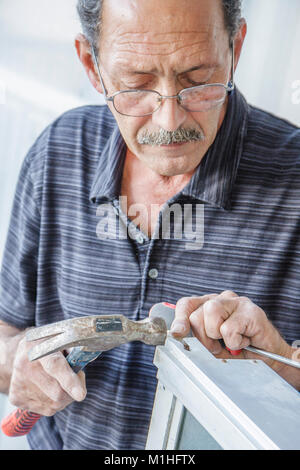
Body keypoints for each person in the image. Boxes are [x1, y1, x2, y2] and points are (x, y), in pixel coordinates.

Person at [0, 0, 299, 450]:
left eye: (197, 79)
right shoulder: (58, 153)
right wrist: (15, 362)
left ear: (235, 48)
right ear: (92, 65)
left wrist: (278, 361)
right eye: (136, 85)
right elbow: (6, 329)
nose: (169, 120)